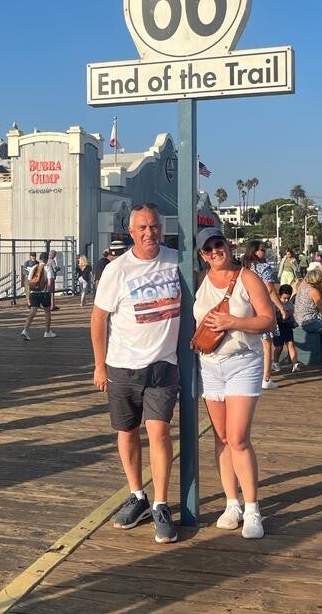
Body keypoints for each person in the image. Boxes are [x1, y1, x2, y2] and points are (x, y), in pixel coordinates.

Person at [91, 204, 181, 544]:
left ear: (162, 228)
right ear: (131, 233)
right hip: (123, 365)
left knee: (159, 433)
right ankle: (137, 495)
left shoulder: (176, 260)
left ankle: (160, 504)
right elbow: (98, 318)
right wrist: (100, 365)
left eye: (154, 226)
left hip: (163, 365)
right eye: (142, 228)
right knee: (127, 432)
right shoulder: (117, 269)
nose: (149, 233)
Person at [194, 227, 274, 539]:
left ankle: (252, 508)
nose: (215, 251)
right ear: (202, 255)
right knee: (222, 438)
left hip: (243, 362)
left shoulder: (247, 278)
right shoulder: (199, 280)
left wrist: (233, 322)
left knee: (238, 438)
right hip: (209, 364)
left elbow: (268, 319)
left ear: (228, 246)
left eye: (219, 244)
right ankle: (232, 503)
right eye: (208, 248)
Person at [243, 240, 288, 390]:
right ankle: (265, 378)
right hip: (262, 309)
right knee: (266, 344)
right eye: (262, 250)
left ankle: (250, 374)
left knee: (249, 344)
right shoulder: (264, 268)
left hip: (246, 309)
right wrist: (281, 308)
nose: (265, 252)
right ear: (255, 252)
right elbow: (270, 290)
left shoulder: (243, 268)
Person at [21, 252, 54, 339]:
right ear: (47, 259)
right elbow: (50, 283)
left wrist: (28, 295)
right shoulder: (48, 268)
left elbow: (29, 281)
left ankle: (25, 330)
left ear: (39, 259)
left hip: (33, 293)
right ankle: (47, 332)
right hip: (44, 293)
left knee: (32, 312)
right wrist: (50, 293)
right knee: (47, 311)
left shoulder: (34, 267)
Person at [272, 283, 302, 373]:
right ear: (279, 295)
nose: (286, 300)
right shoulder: (275, 305)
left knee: (290, 344)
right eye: (284, 298)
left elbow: (291, 315)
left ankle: (295, 363)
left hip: (287, 326)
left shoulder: (290, 305)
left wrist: (294, 322)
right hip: (278, 327)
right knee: (279, 347)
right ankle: (275, 362)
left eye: (288, 298)